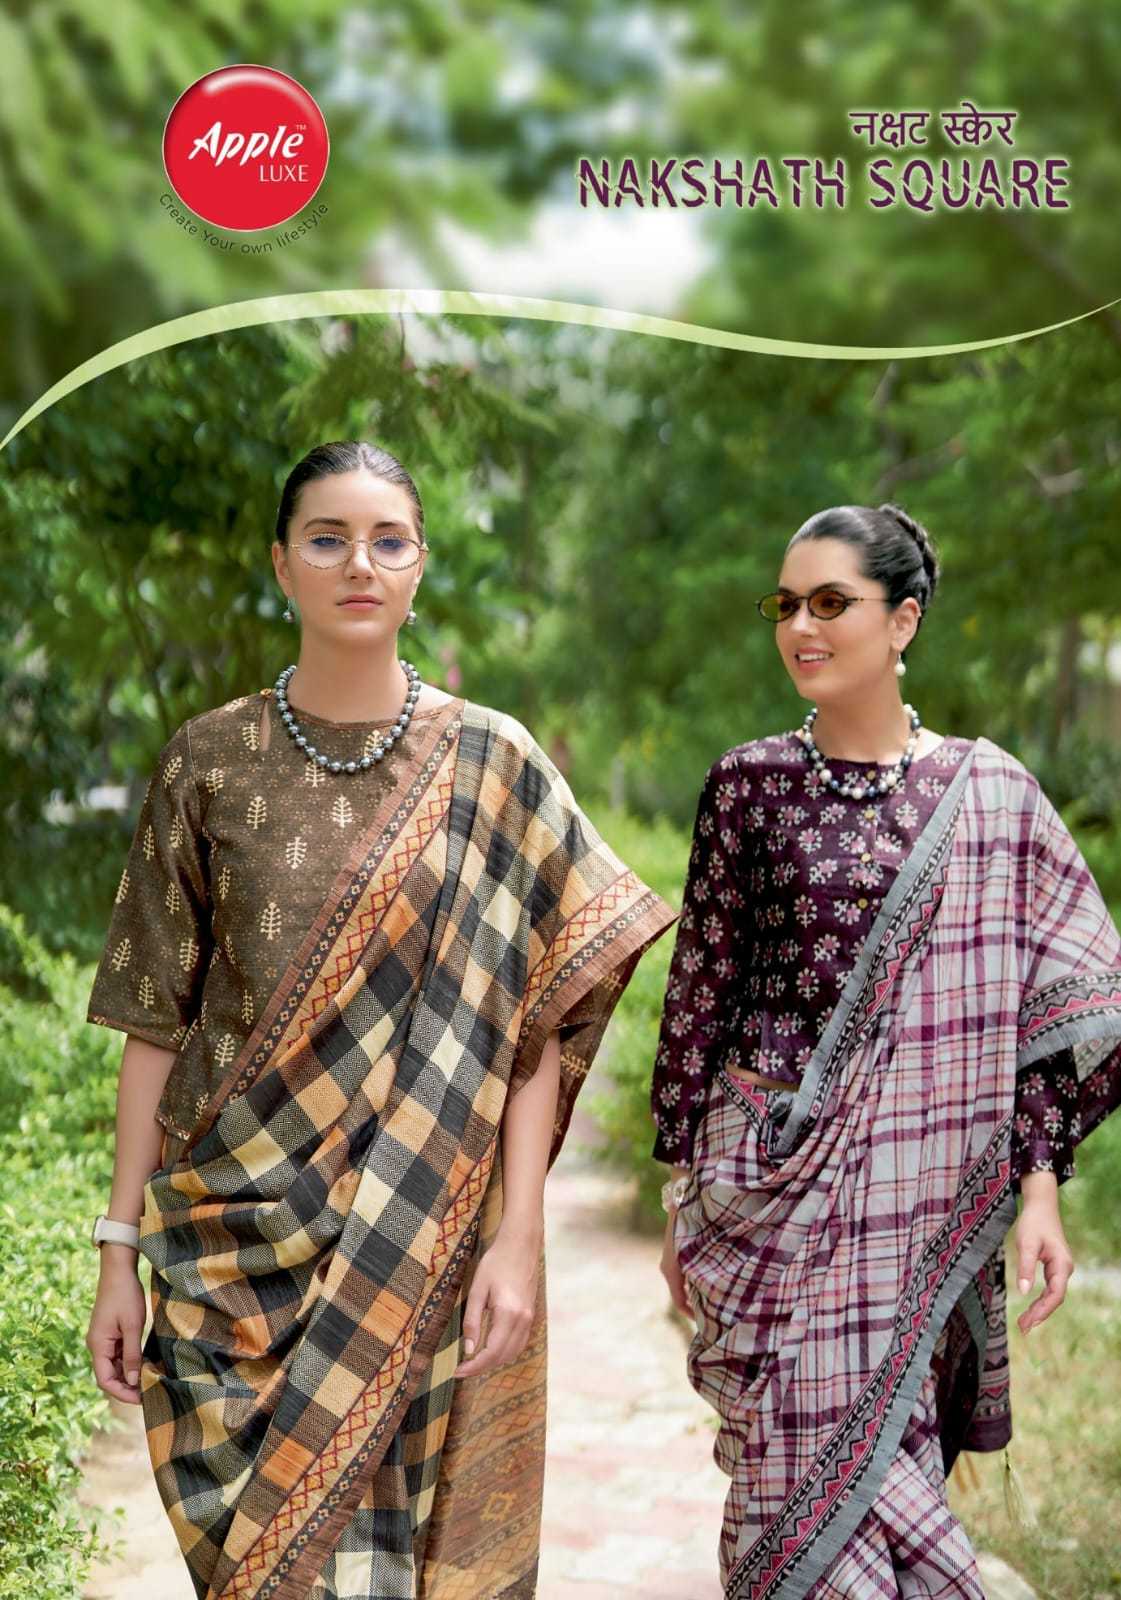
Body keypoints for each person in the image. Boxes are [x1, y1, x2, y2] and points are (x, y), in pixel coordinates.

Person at [84, 439, 674, 1600]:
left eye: (386, 540)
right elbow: (155, 1023)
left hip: (419, 1240)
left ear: (418, 565)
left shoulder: (494, 763)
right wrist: (119, 1250)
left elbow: (533, 1021)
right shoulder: (207, 761)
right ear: (281, 564)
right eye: (327, 538)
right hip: (227, 1258)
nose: (359, 563)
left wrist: (518, 1236)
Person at [651, 503, 1121, 1599]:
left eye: (831, 602)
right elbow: (699, 997)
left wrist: (1038, 1189)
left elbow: (1045, 1015)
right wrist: (682, 1189)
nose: (800, 627)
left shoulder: (989, 795)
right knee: (791, 1488)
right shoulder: (747, 784)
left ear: (902, 619)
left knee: (880, 1469)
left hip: (919, 1198)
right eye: (785, 605)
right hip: (761, 1192)